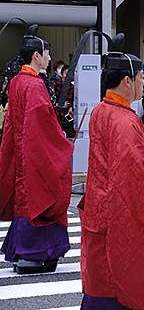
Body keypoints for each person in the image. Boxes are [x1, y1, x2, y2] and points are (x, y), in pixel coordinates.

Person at [79, 34, 144, 310]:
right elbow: (136, 180)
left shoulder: (101, 110)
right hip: (115, 221)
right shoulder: (125, 120)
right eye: (140, 78)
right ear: (127, 81)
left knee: (100, 286)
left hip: (98, 214)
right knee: (121, 286)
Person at [0, 25, 73, 274]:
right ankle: (35, 253)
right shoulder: (33, 85)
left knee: (26, 199)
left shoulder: (17, 82)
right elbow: (42, 121)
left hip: (23, 150)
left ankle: (23, 252)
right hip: (35, 151)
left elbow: (15, 122)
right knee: (43, 199)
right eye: (47, 53)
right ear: (36, 56)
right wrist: (60, 137)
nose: (50, 58)